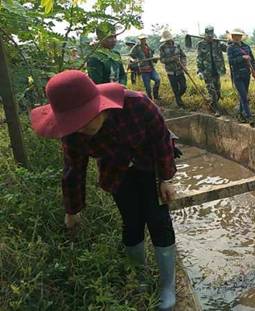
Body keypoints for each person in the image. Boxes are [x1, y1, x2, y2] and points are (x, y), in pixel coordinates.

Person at [30, 70, 178, 311]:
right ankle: (140, 278)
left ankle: (167, 285)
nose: (79, 128)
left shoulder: (138, 105)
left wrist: (166, 178)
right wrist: (73, 209)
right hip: (115, 171)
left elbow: (161, 141)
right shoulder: (74, 134)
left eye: (84, 120)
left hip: (148, 165)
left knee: (158, 220)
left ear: (100, 106)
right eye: (73, 123)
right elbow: (73, 169)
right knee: (131, 222)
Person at [227, 29, 255, 125]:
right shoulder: (230, 48)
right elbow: (231, 61)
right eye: (234, 35)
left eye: (238, 36)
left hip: (246, 74)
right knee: (244, 96)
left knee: (243, 96)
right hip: (237, 75)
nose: (236, 37)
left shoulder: (246, 47)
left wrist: (254, 69)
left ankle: (240, 114)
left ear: (241, 37)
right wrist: (242, 58)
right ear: (232, 37)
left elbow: (252, 59)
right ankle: (249, 117)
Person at [196, 26, 227, 117]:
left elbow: (227, 49)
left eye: (211, 35)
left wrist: (229, 41)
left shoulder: (217, 42)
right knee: (212, 91)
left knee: (217, 91)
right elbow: (199, 58)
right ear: (205, 35)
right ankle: (216, 109)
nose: (210, 37)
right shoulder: (201, 44)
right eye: (208, 36)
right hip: (206, 71)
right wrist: (199, 71)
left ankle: (212, 105)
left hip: (217, 70)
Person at [159, 30, 187, 110]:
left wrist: (184, 65)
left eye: (169, 39)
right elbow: (162, 60)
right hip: (171, 72)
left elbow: (183, 56)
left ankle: (177, 98)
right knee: (175, 89)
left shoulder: (177, 45)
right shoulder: (162, 47)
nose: (168, 41)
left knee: (183, 87)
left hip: (180, 70)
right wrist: (172, 59)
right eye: (166, 40)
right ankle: (180, 105)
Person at [131, 34, 161, 100]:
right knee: (148, 87)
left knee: (158, 79)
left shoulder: (148, 47)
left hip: (151, 68)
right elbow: (131, 56)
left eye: (144, 39)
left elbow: (151, 57)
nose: (143, 40)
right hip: (144, 70)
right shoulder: (136, 48)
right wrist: (134, 60)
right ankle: (150, 99)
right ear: (140, 40)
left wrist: (155, 58)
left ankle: (156, 95)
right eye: (142, 39)